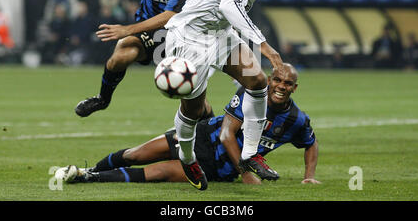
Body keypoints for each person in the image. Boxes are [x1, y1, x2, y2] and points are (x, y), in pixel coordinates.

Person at [96, 0, 289, 190]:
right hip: (190, 37)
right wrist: (266, 47)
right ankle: (188, 159)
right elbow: (228, 6)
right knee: (194, 110)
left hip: (219, 32)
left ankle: (249, 155)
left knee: (256, 81)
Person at [59, 64, 320, 185]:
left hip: (215, 168)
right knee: (135, 154)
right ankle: (91, 170)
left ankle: (86, 178)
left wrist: (309, 177)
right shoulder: (250, 93)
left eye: (287, 84)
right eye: (277, 81)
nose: (281, 87)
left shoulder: (296, 120)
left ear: (294, 88)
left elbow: (311, 143)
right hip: (202, 136)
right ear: (271, 80)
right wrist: (247, 173)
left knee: (158, 173)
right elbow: (226, 136)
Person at [75, 0, 214, 119]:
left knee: (190, 96)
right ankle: (102, 99)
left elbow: (170, 15)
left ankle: (209, 127)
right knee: (119, 57)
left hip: (179, 34)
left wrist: (126, 29)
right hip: (149, 26)